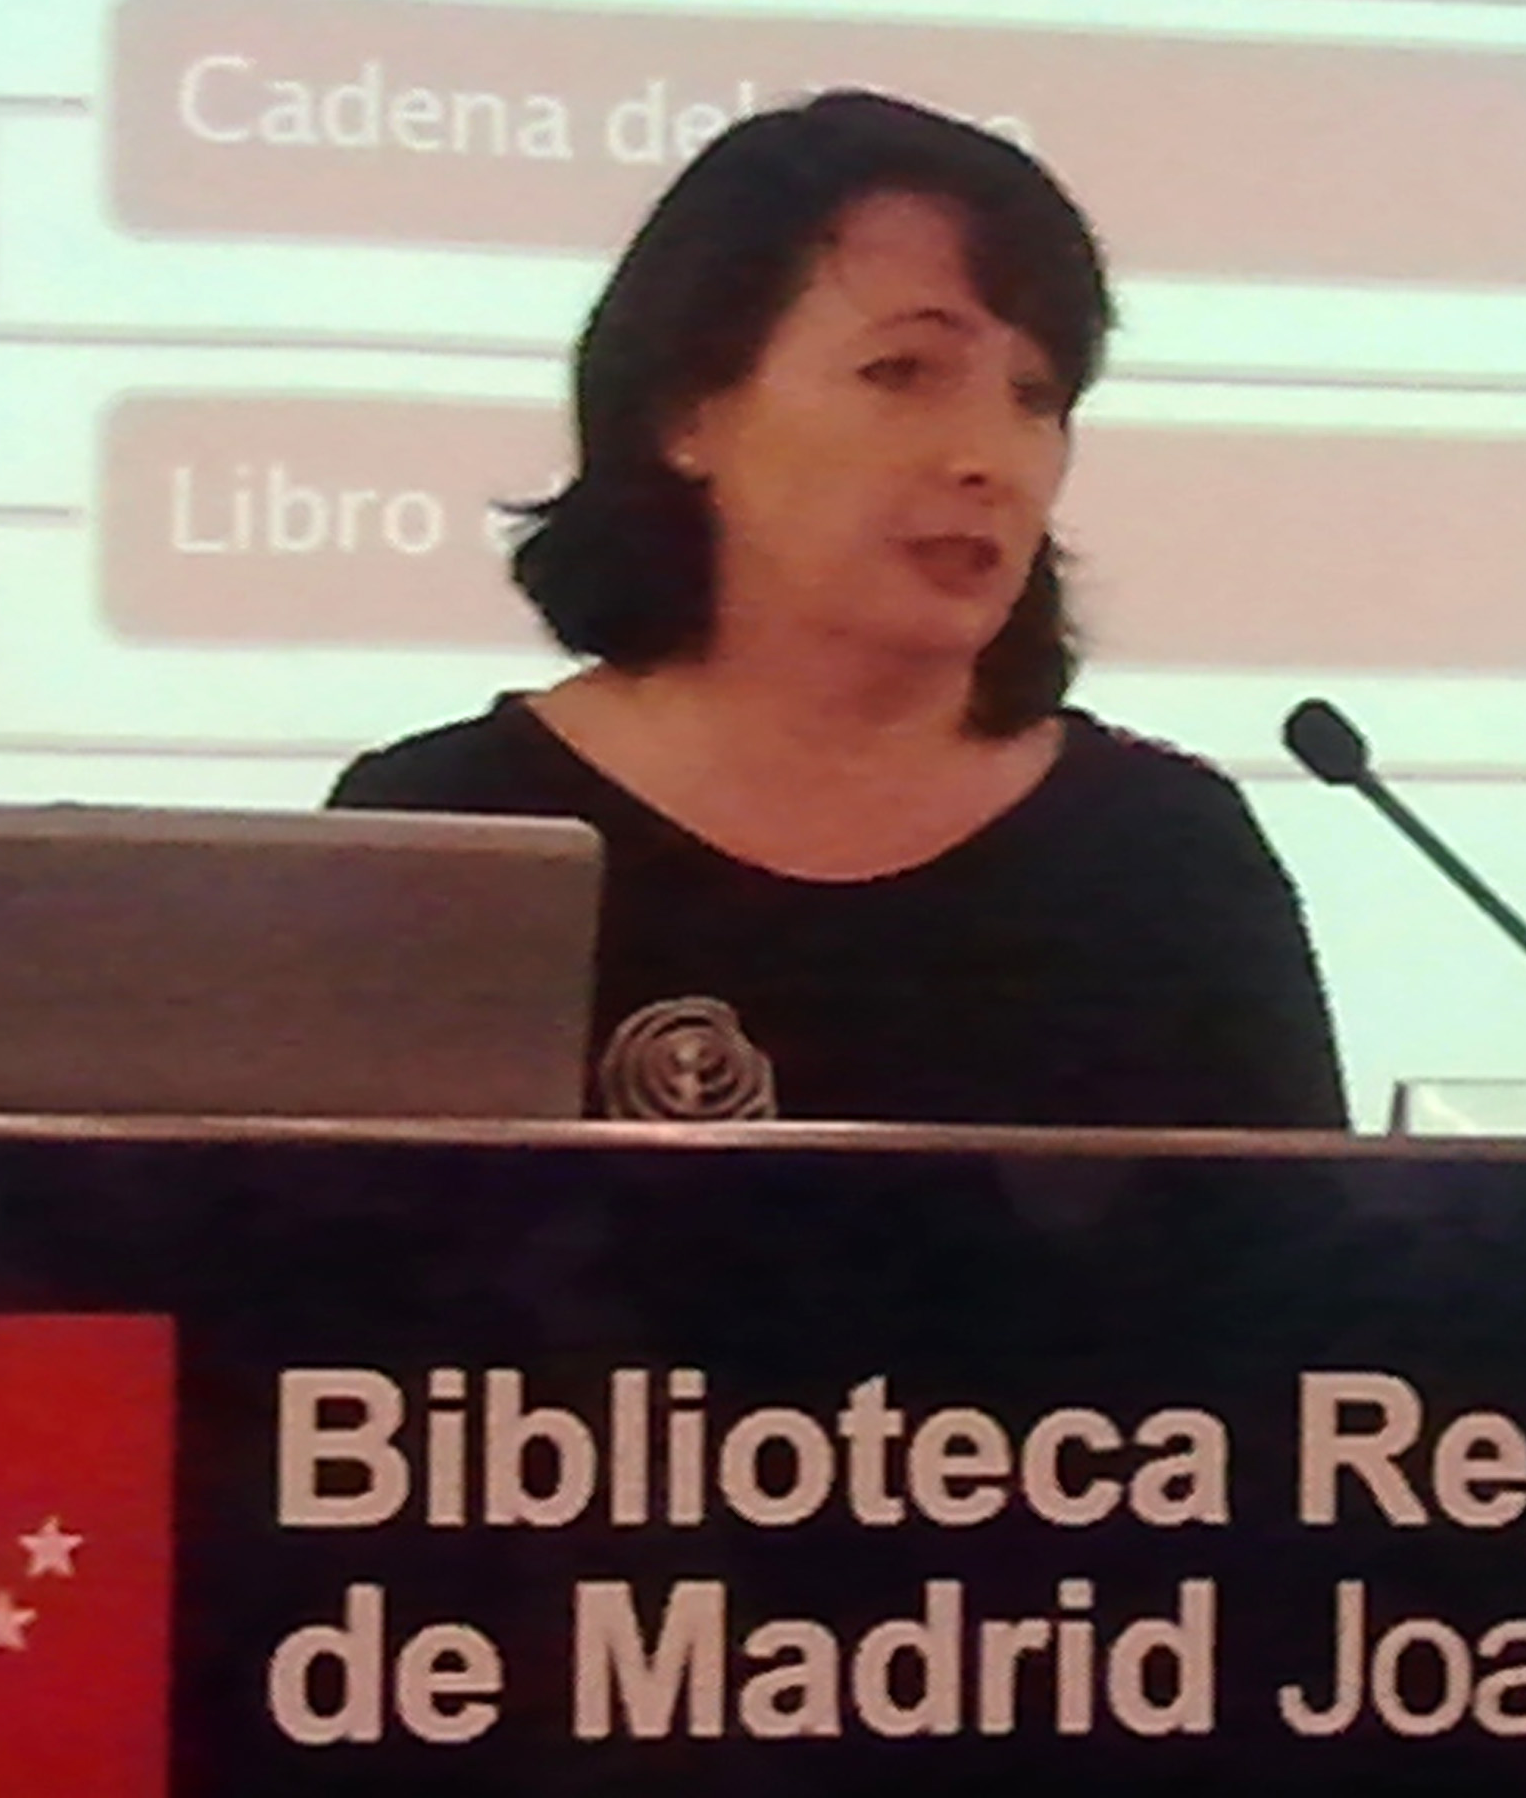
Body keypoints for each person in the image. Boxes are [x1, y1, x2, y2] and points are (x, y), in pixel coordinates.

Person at [329, 90, 1347, 1133]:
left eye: (1035, 396)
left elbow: (1304, 1243)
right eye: (901, 373)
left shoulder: (1164, 857)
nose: (987, 458)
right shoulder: (447, 832)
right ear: (687, 410)